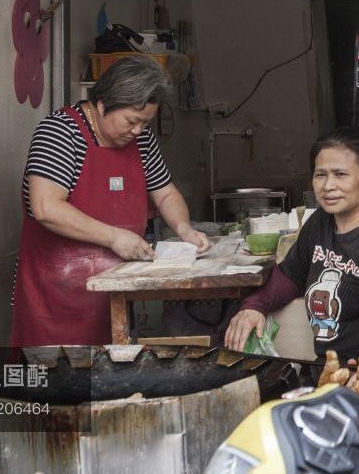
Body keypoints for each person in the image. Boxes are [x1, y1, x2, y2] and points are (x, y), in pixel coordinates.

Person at [11, 56, 210, 347]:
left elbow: (165, 192)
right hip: (57, 297)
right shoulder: (60, 132)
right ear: (102, 104)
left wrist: (184, 229)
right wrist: (114, 237)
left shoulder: (139, 140)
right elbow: (46, 207)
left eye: (145, 123)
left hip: (115, 292)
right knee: (60, 383)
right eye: (131, 121)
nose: (138, 131)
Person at [225, 128, 359, 394]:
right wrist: (253, 307)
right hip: (330, 379)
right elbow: (288, 277)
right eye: (320, 174)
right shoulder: (321, 223)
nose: (328, 185)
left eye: (340, 174)